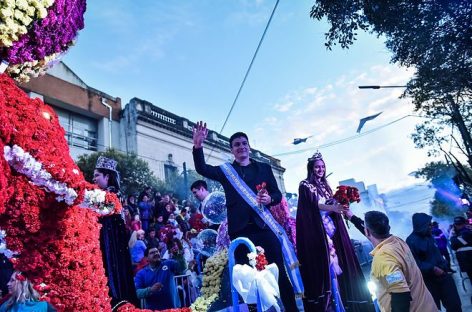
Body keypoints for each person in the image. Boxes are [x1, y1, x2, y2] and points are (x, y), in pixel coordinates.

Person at [192, 121, 301, 311]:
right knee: (248, 281)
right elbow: (202, 168)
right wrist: (198, 145)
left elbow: (277, 194)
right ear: (232, 150)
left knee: (279, 275)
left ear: (249, 147)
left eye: (244, 143)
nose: (241, 147)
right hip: (241, 233)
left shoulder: (264, 169)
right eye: (237, 145)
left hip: (265, 228)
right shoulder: (226, 171)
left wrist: (269, 199)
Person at [296, 151, 373, 312]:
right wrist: (333, 207)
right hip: (319, 232)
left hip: (335, 230)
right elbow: (313, 205)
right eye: (317, 167)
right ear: (311, 168)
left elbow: (330, 203)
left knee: (343, 264)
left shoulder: (326, 185)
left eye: (323, 167)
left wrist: (341, 202)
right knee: (328, 267)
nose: (320, 169)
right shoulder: (305, 184)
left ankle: (347, 302)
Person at [364, 211, 437, 312]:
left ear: (367, 231)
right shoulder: (398, 241)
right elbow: (374, 232)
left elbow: (401, 296)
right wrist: (351, 217)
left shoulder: (384, 258)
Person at [93, 156, 138, 309]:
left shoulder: (112, 195)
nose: (94, 179)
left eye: (97, 175)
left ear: (107, 176)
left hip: (111, 242)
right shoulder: (101, 194)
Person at [406, 213, 462, 311]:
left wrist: (444, 265)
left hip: (444, 276)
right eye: (429, 224)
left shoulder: (429, 236)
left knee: (455, 305)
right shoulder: (411, 241)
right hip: (429, 282)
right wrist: (432, 268)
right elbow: (414, 264)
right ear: (422, 225)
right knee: (434, 308)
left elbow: (436, 254)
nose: (431, 226)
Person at [450, 216, 472, 288]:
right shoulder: (462, 232)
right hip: (466, 259)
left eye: (459, 224)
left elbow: (454, 244)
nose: (458, 226)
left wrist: (453, 237)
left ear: (464, 224)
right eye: (456, 224)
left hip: (468, 258)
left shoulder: (465, 232)